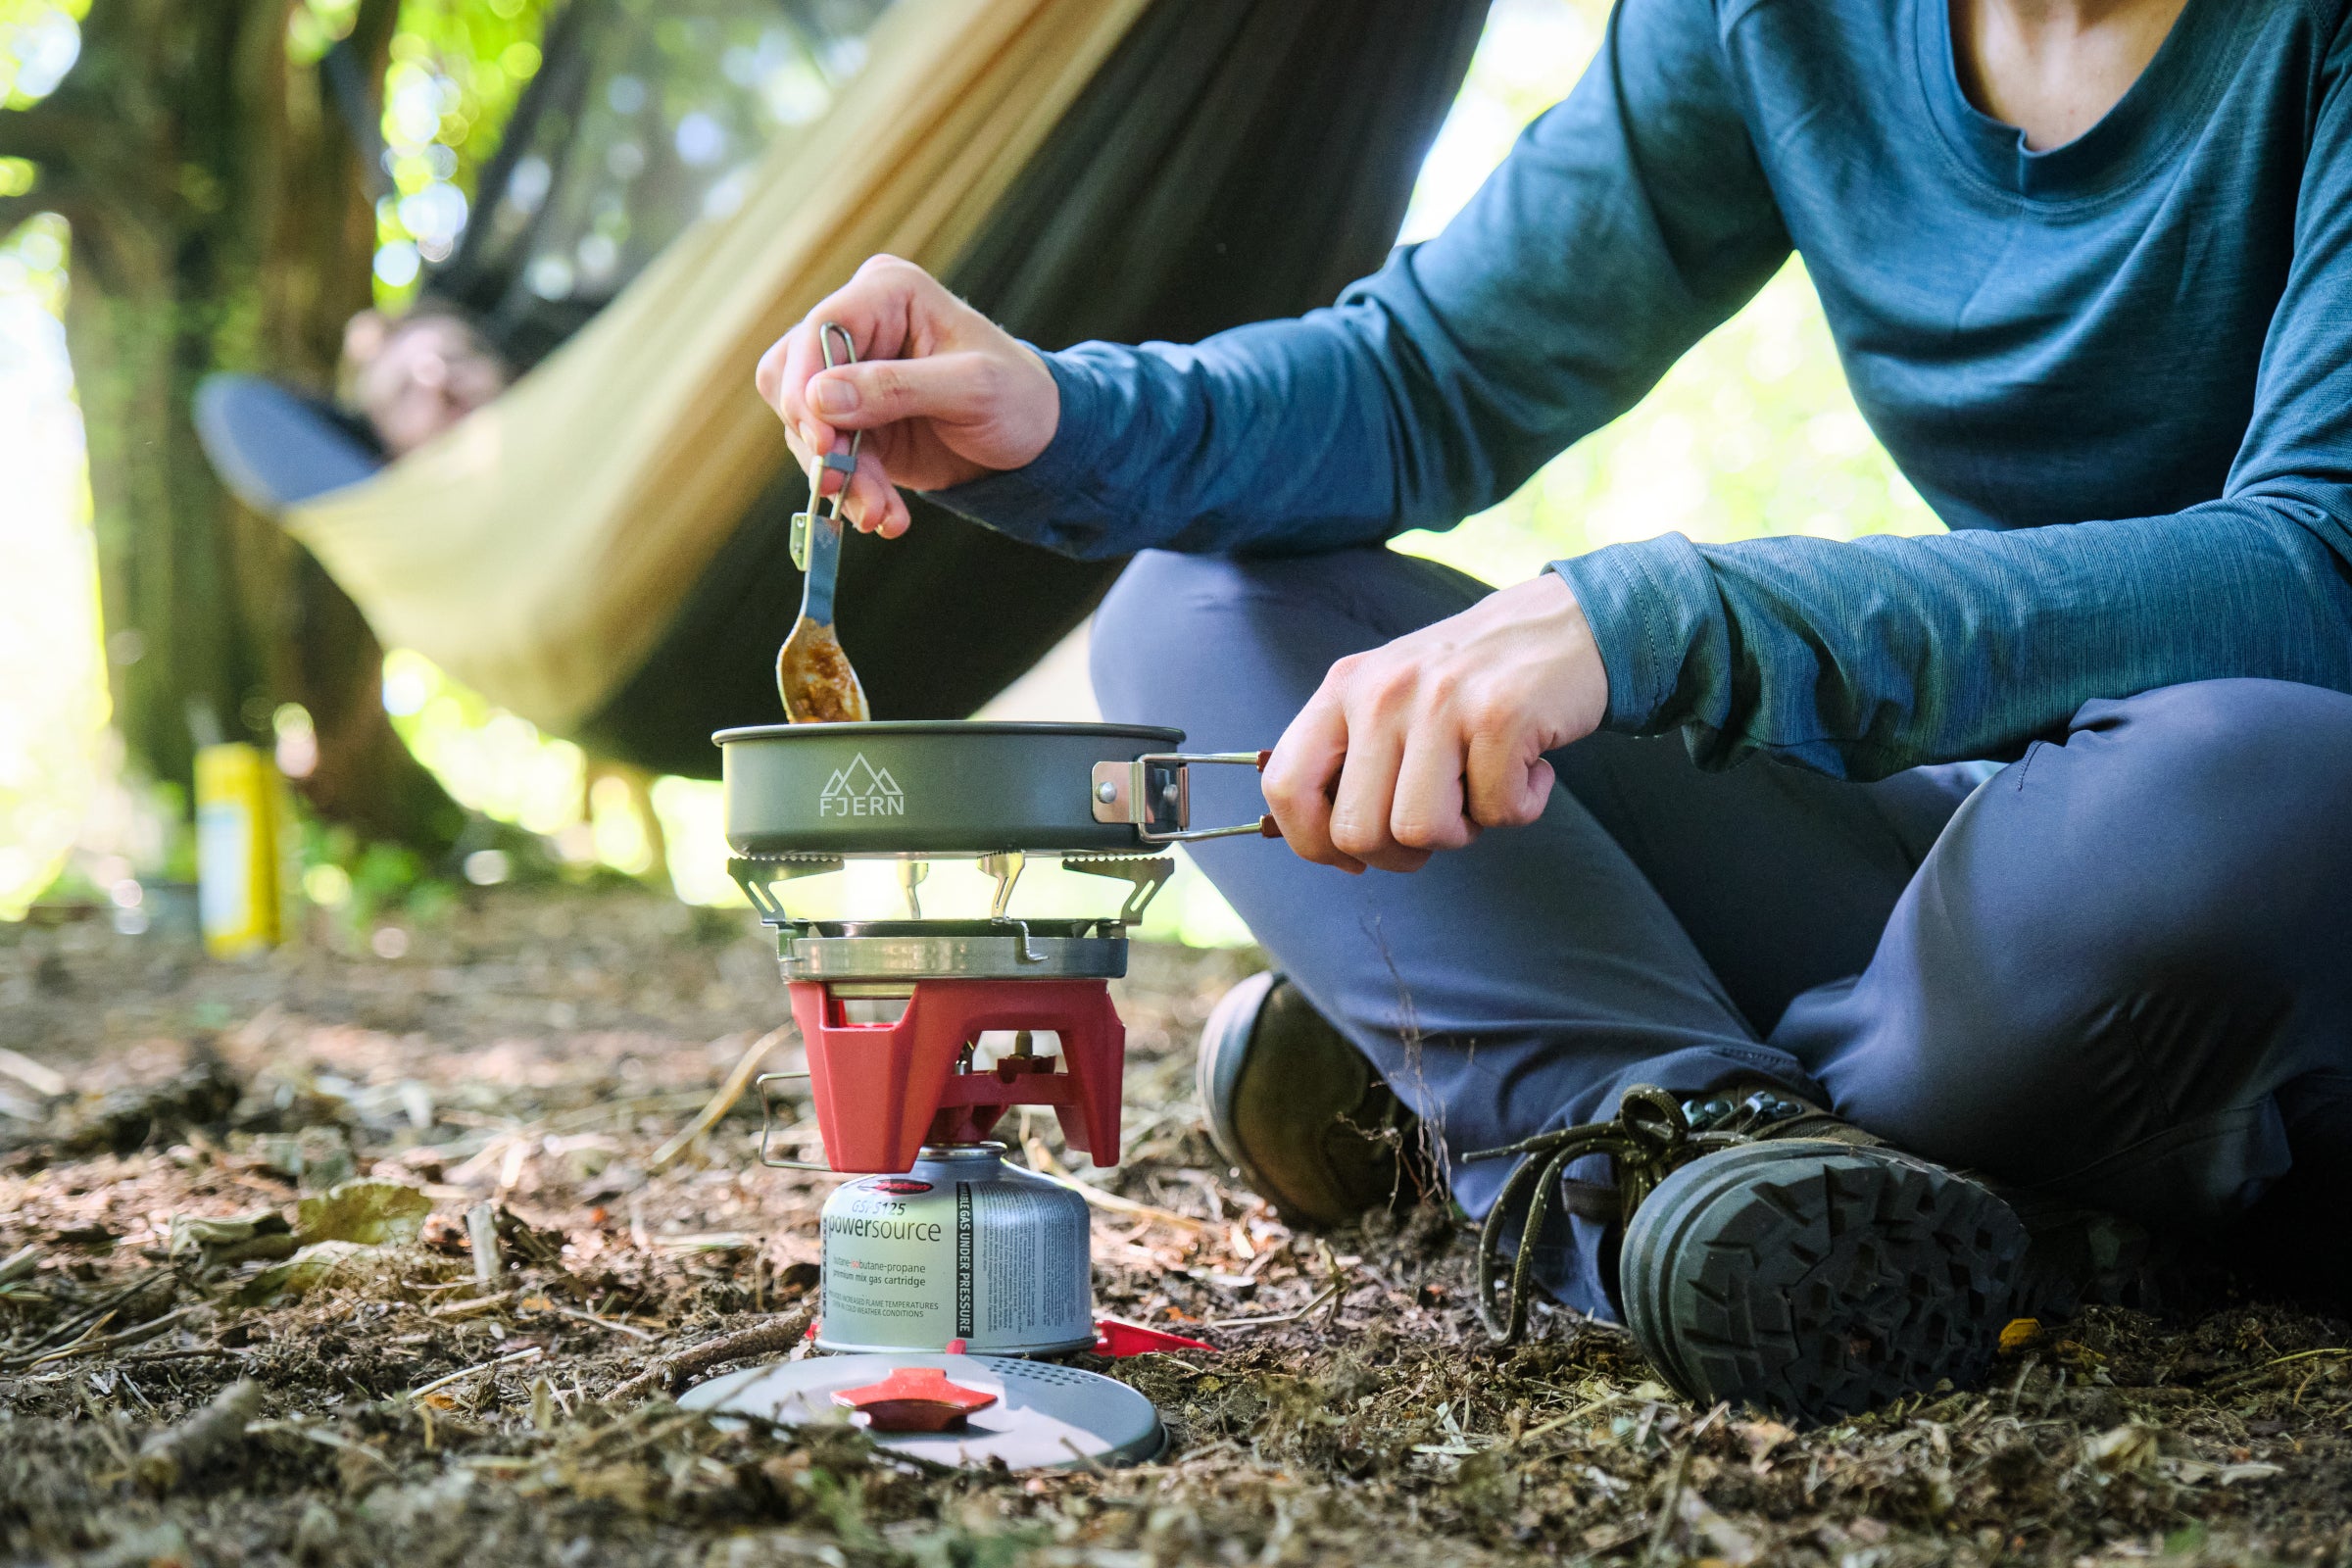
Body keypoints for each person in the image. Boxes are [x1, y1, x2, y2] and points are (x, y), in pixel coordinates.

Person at [754, 0, 2352, 1420]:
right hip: (1986, 888)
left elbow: (2314, 569)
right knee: (1214, 604)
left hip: (2224, 854)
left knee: (2254, 785)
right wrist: (1056, 415)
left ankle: (1480, 1072)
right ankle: (1691, 1157)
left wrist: (1649, 619)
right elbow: (1422, 377)